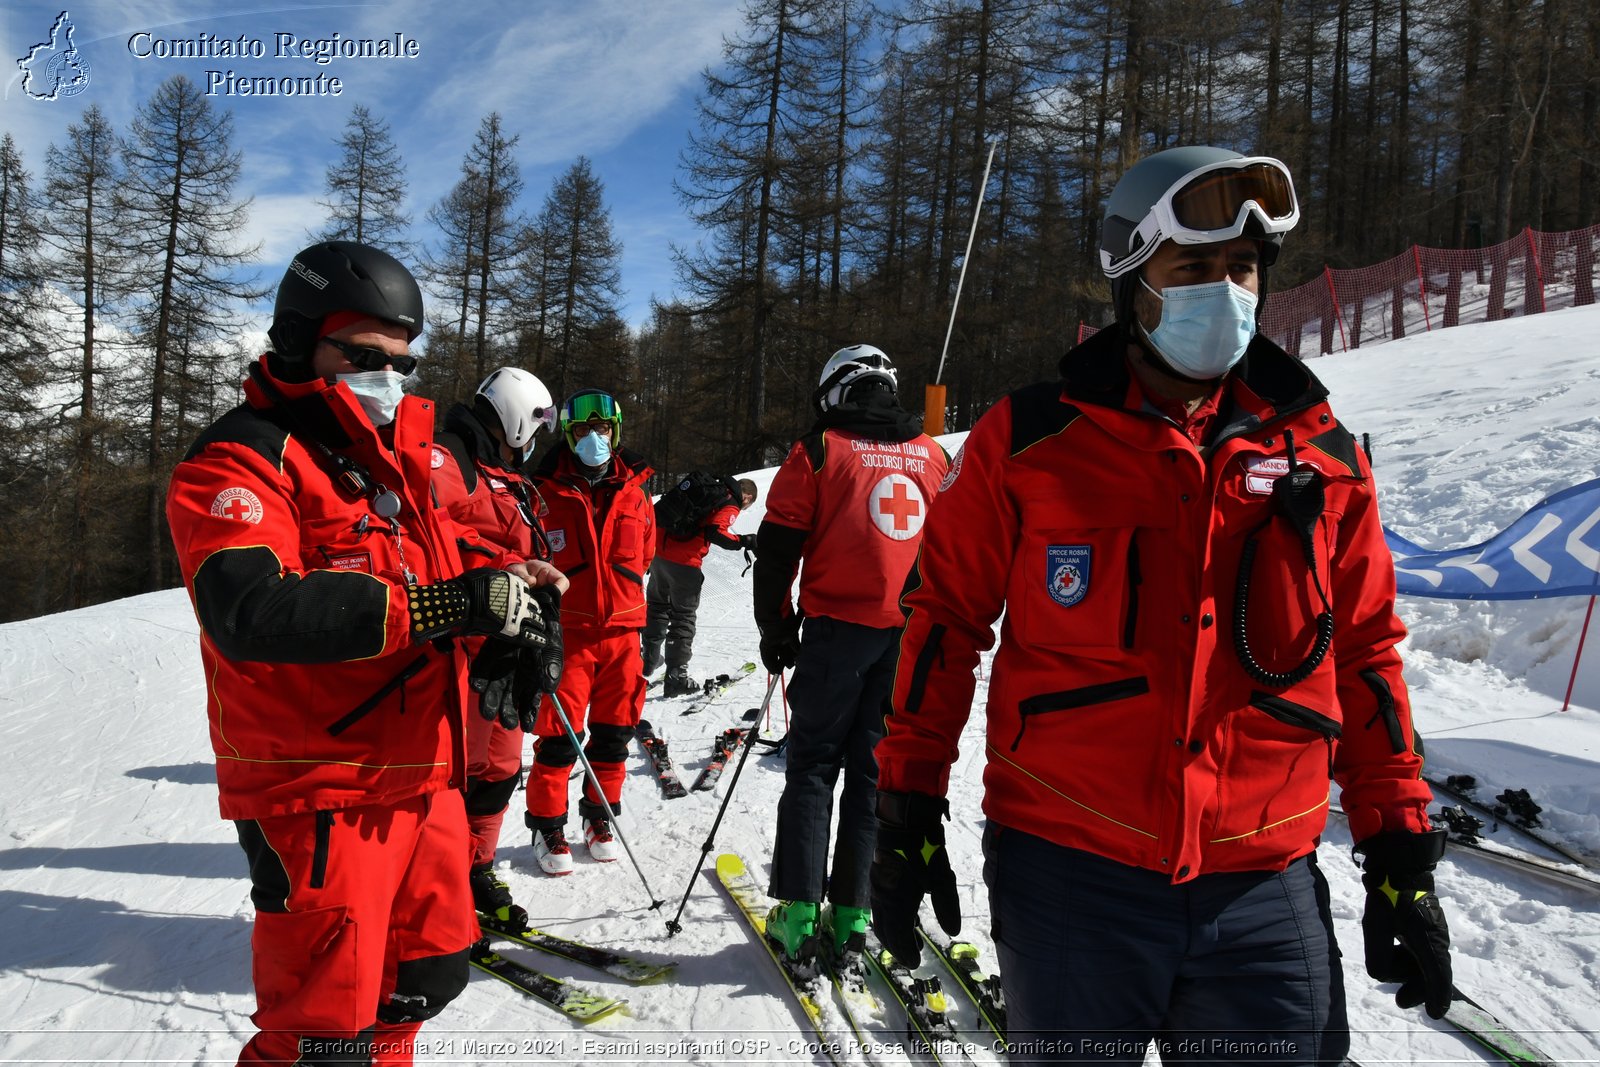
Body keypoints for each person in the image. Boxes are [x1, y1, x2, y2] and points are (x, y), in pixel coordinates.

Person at [869, 147, 1453, 1065]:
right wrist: (904, 812)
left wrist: (1400, 848)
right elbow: (944, 622)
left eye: (1243, 270)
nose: (1225, 292)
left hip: (1263, 882)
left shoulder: (1324, 450)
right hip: (1069, 875)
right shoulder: (1027, 441)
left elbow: (1368, 649)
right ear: (1134, 282)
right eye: (1194, 269)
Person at [166, 241, 566, 1066]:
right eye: (364, 357)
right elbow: (251, 605)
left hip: (422, 774)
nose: (388, 378)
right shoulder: (243, 456)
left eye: (402, 363)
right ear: (299, 339)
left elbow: (433, 564)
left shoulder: (386, 463)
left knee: (426, 975)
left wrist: (502, 585)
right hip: (319, 787)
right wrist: (445, 605)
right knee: (321, 1034)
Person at [752, 344, 949, 966]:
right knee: (872, 773)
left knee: (813, 767)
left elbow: (779, 548)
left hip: (839, 632)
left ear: (835, 393)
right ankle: (855, 911)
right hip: (906, 636)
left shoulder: (820, 451)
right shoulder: (932, 454)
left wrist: (776, 628)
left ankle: (801, 910)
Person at [431, 366, 561, 929]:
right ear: (512, 417)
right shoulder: (449, 458)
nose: (530, 446)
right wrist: (502, 566)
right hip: (457, 643)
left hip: (506, 645)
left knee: (502, 767)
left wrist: (532, 573)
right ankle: (438, 882)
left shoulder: (504, 476)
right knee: (456, 770)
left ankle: (474, 865)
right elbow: (431, 533)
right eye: (530, 430)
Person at [522, 389, 656, 875]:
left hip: (623, 633)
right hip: (568, 633)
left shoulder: (637, 489)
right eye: (583, 431)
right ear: (568, 434)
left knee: (614, 735)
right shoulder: (541, 488)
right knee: (559, 736)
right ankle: (546, 824)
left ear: (615, 434)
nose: (593, 439)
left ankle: (600, 817)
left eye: (602, 430)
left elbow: (644, 554)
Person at [642, 473, 759, 695]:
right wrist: (744, 541)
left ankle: (648, 661)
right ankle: (676, 677)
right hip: (685, 562)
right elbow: (716, 532)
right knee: (682, 617)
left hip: (658, 552)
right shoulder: (730, 502)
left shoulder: (709, 487)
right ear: (747, 497)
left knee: (657, 606)